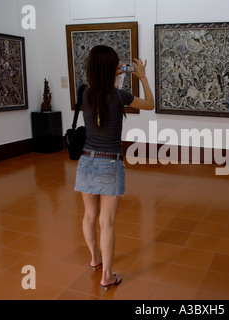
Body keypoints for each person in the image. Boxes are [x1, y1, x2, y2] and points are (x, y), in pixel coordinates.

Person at [74, 45, 154, 288]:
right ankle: (107, 276)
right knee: (106, 222)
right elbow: (150, 103)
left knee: (89, 216)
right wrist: (141, 76)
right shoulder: (120, 96)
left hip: (86, 159)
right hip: (110, 162)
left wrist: (112, 75)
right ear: (111, 68)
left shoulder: (85, 93)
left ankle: (94, 259)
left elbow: (101, 90)